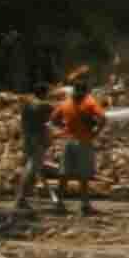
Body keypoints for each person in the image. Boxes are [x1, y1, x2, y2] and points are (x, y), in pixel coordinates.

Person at [47, 69, 107, 206]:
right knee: (83, 175)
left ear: (74, 90)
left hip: (68, 142)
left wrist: (64, 128)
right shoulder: (90, 102)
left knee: (64, 173)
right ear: (86, 91)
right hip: (84, 142)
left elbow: (53, 119)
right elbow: (103, 118)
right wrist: (95, 133)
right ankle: (84, 204)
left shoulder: (66, 103)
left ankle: (59, 202)